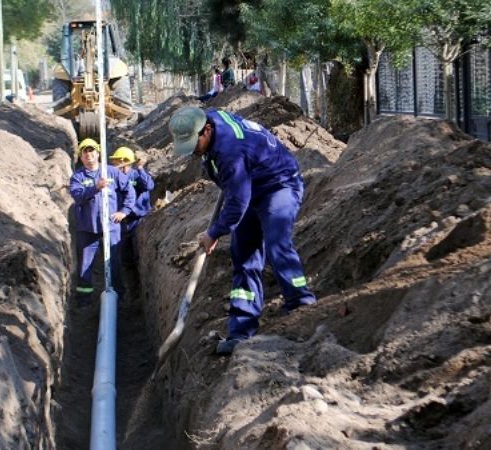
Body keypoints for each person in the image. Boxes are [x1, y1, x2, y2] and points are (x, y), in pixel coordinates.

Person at [168, 106, 316, 355]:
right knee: (243, 253)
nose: (193, 150)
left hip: (279, 183)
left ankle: (302, 306)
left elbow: (237, 202)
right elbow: (238, 194)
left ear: (206, 130)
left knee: (276, 242)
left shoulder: (230, 152)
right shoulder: (208, 119)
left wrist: (214, 232)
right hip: (251, 184)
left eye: (194, 143)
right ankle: (241, 330)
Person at [69, 138, 136, 306]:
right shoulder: (78, 177)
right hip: (87, 228)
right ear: (81, 157)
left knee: (113, 262)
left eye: (91, 151)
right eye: (85, 152)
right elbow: (77, 196)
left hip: (111, 226)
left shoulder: (111, 172)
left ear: (98, 153)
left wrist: (124, 211)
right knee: (85, 265)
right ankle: (84, 302)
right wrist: (95, 187)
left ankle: (119, 298)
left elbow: (129, 191)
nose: (89, 155)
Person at [109, 147, 155, 294]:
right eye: (118, 162)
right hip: (121, 223)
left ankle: (140, 290)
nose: (122, 166)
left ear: (131, 163)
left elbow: (149, 186)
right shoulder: (113, 178)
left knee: (138, 254)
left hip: (139, 221)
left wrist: (141, 168)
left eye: (125, 163)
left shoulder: (136, 176)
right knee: (125, 257)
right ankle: (132, 290)